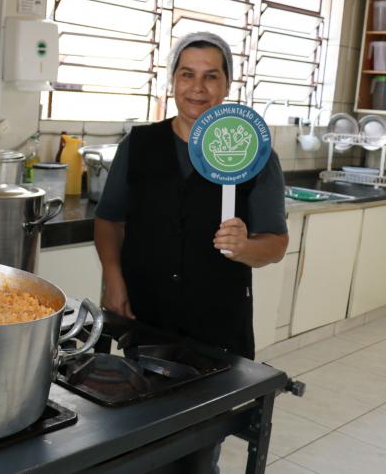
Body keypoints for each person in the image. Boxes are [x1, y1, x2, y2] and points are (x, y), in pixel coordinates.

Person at [94, 32, 288, 472]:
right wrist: (114, 277)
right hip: (146, 319)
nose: (197, 88)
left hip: (216, 325)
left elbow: (275, 245)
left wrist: (245, 247)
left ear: (227, 86)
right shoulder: (138, 146)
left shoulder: (254, 155)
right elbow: (109, 220)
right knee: (141, 440)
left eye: (210, 76)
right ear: (172, 80)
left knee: (196, 451)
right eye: (187, 74)